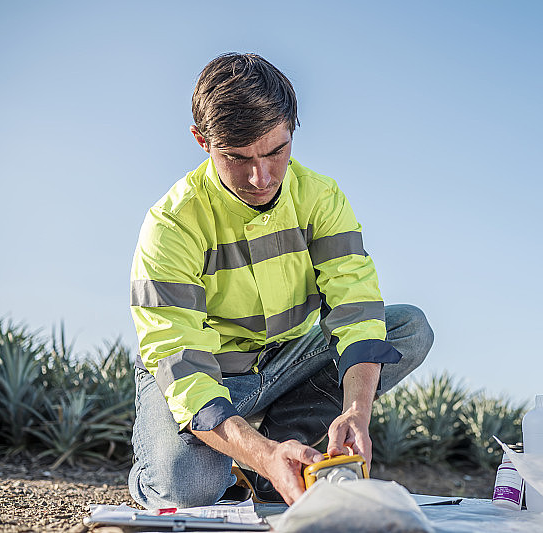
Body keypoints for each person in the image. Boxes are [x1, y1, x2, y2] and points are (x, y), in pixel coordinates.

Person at [127, 53, 433, 509]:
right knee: (187, 490)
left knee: (408, 327)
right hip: (204, 374)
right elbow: (183, 366)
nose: (261, 177)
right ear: (202, 141)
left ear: (292, 129)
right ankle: (178, 468)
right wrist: (260, 452)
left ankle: (276, 453)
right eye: (237, 158)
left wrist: (356, 411)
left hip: (286, 363)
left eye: (276, 151)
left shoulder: (321, 198)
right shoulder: (170, 225)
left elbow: (356, 309)